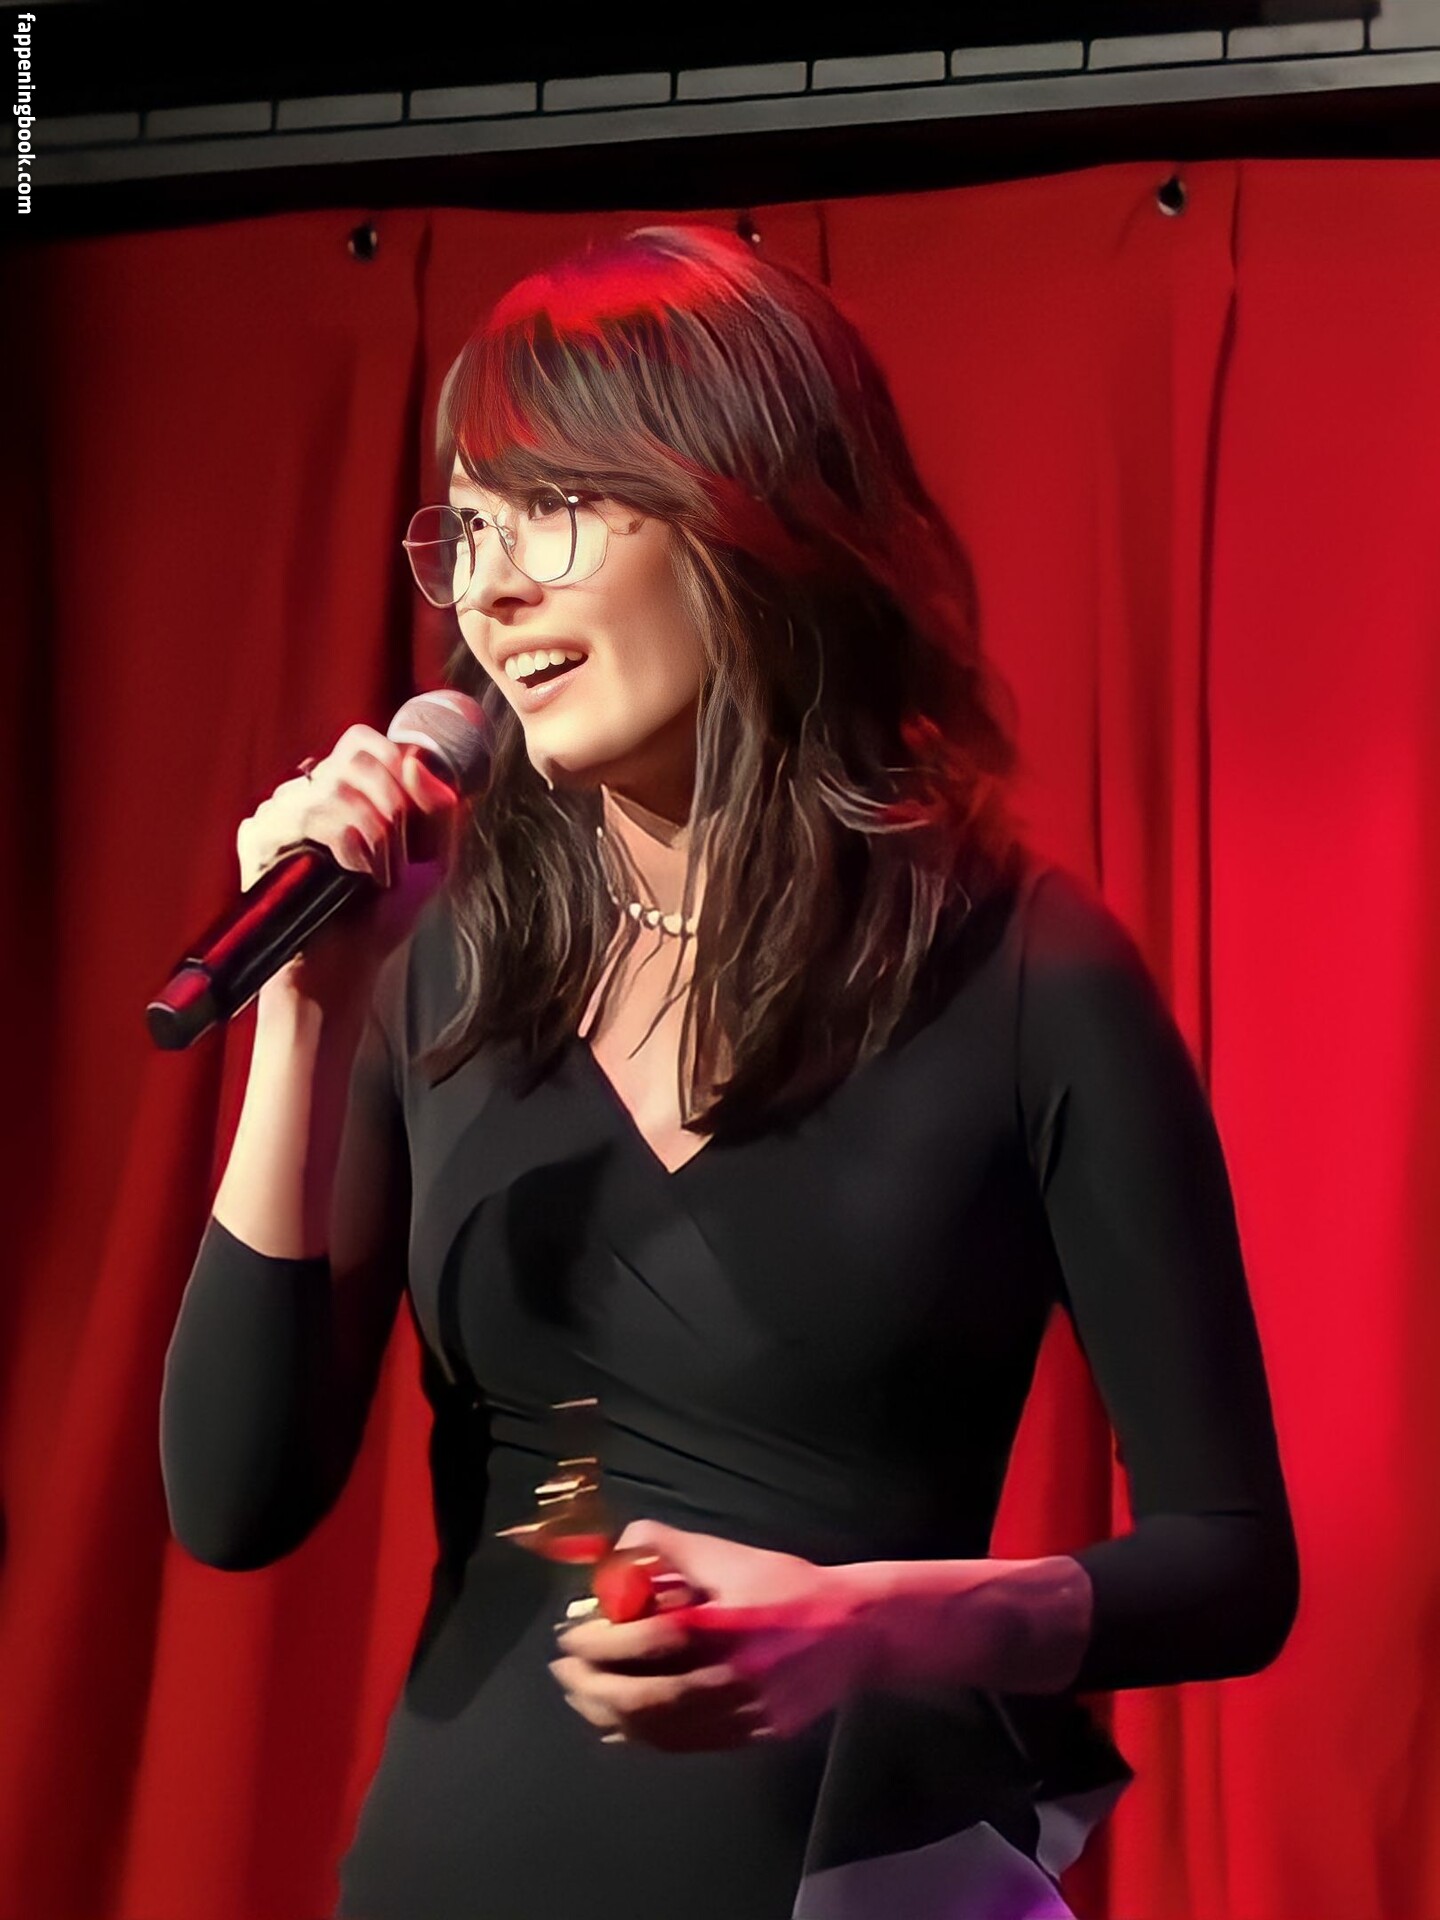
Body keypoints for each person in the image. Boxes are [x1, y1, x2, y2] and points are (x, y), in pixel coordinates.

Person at [160, 224, 1299, 1920]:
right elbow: (232, 1500)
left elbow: (1233, 1569)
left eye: (552, 509)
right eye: (467, 530)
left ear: (749, 514)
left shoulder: (1026, 979)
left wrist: (869, 1623)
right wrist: (309, 1011)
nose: (490, 591)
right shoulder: (446, 971)